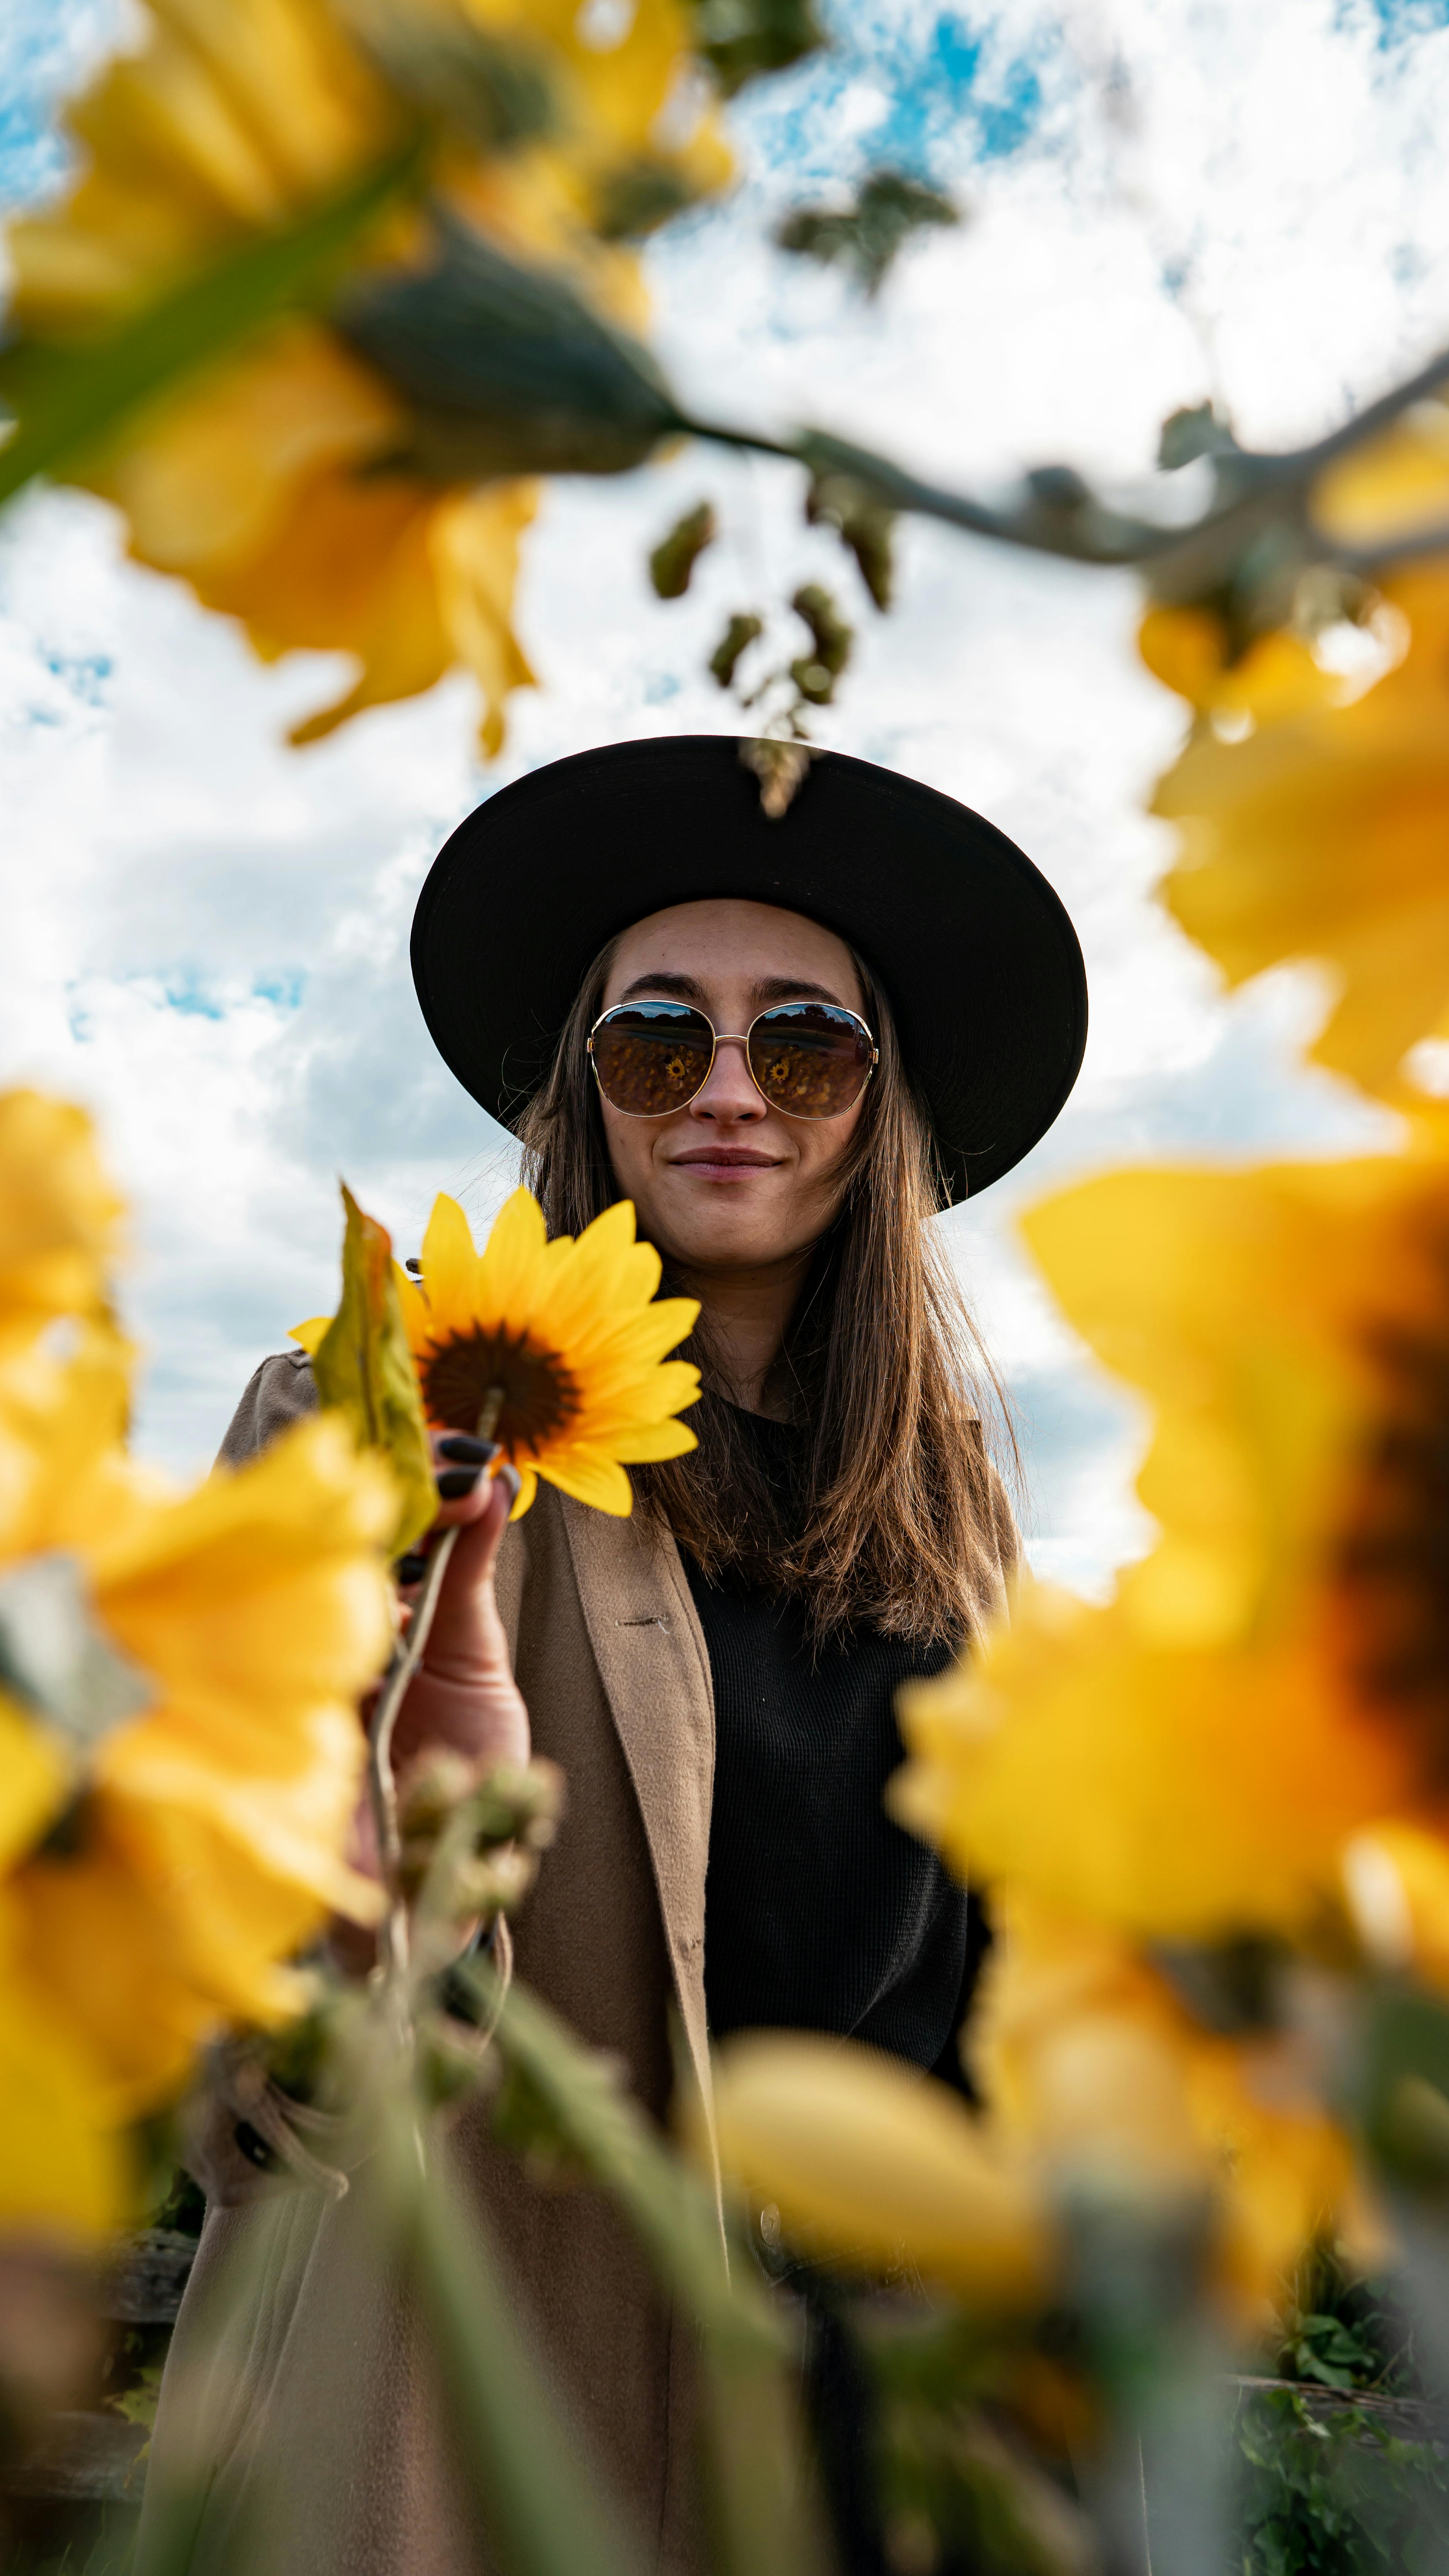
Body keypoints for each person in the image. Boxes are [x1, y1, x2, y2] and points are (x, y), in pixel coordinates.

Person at [138, 736, 1086, 2576]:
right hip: (493, 2409)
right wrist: (332, 1939)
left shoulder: (955, 1520)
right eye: (658, 1036)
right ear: (584, 1091)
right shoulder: (389, 1411)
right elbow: (246, 2047)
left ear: (877, 1106)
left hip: (876, 2423)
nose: (730, 1090)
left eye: (804, 1042)